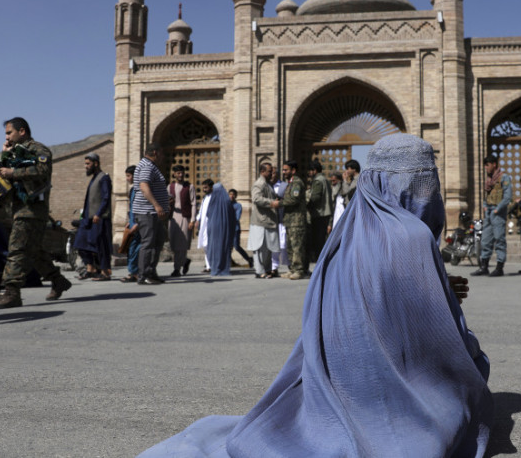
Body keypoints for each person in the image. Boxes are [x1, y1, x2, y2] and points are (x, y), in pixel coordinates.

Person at [138, 133, 493, 457]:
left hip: (332, 383)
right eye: (422, 184)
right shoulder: (412, 237)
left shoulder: (346, 231)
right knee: (473, 366)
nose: (427, 195)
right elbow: (434, 344)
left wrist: (437, 287)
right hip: (390, 395)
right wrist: (446, 302)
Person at [0, 117, 72, 308]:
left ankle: (11, 292)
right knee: (34, 252)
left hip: (32, 210)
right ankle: (58, 280)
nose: (7, 136)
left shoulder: (38, 150)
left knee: (17, 250)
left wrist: (13, 173)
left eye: (9, 132)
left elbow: (42, 169)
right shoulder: (14, 152)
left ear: (22, 131)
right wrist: (4, 157)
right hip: (18, 209)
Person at [133, 143, 169, 285]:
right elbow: (144, 187)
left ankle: (151, 272)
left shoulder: (149, 165)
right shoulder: (147, 166)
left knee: (158, 241)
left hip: (153, 212)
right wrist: (157, 205)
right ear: (155, 152)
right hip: (147, 211)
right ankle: (144, 275)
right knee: (148, 243)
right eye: (161, 153)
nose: (163, 156)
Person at [72, 153, 113, 280]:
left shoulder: (104, 178)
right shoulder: (94, 178)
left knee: (101, 245)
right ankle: (91, 269)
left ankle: (105, 272)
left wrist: (99, 214)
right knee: (80, 243)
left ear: (96, 163)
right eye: (85, 164)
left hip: (98, 218)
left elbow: (106, 198)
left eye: (88, 164)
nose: (86, 166)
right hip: (87, 219)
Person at [471, 155, 512, 277]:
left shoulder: (504, 178)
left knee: (499, 239)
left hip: (497, 213)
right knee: (485, 240)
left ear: (494, 164)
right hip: (489, 211)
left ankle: (499, 267)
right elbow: (487, 195)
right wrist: (484, 205)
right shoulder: (489, 179)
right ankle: (484, 266)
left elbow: (507, 197)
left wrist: (497, 209)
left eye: (487, 165)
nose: (486, 168)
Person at [248, 164, 280, 279]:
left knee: (268, 248)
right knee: (259, 248)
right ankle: (259, 271)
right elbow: (256, 199)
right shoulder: (259, 184)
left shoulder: (268, 184)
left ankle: (266, 269)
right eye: (269, 171)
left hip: (269, 221)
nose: (271, 174)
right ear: (262, 171)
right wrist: (271, 203)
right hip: (260, 221)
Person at [281, 160, 308, 280]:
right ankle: (292, 269)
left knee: (297, 246)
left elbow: (294, 200)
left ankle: (299, 270)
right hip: (289, 220)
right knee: (290, 246)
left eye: (286, 170)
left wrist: (279, 203)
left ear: (293, 170)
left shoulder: (297, 183)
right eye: (283, 170)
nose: (283, 172)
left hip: (297, 221)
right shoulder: (289, 183)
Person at [168, 165, 196, 277]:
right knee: (174, 243)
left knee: (182, 243)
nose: (180, 175)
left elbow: (193, 204)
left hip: (185, 216)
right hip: (173, 216)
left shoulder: (190, 186)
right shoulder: (170, 187)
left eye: (182, 173)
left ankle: (176, 269)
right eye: (178, 173)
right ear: (174, 174)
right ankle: (184, 261)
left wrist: (192, 220)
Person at [205, 183, 237, 277]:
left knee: (213, 247)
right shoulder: (227, 201)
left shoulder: (212, 200)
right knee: (223, 247)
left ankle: (214, 268)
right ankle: (223, 269)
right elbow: (232, 216)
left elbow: (207, 214)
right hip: (224, 228)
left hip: (212, 227)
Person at [306, 160, 333, 262]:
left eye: (310, 170)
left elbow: (315, 198)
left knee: (318, 242)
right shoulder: (324, 179)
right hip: (324, 214)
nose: (309, 173)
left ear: (314, 170)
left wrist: (307, 206)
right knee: (321, 240)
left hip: (319, 214)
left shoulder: (318, 181)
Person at [120, 165, 141, 282]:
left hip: (138, 225)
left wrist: (137, 224)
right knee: (131, 249)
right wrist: (129, 222)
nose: (127, 178)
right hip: (132, 223)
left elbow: (140, 208)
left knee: (135, 249)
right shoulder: (133, 190)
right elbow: (132, 208)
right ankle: (133, 272)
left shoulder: (139, 190)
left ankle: (135, 273)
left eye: (129, 176)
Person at [228, 189, 253, 268]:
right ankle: (229, 262)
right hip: (227, 229)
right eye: (230, 194)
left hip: (235, 229)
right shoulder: (225, 205)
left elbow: (237, 217)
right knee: (228, 246)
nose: (231, 196)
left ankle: (249, 259)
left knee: (236, 246)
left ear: (235, 196)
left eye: (233, 194)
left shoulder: (238, 205)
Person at [270, 168, 288, 277]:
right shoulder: (267, 186)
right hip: (271, 220)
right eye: (270, 173)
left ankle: (288, 264)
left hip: (282, 218)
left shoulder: (284, 185)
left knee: (283, 243)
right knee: (273, 244)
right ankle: (274, 267)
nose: (271, 175)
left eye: (273, 173)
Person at [195, 179, 215, 273]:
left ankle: (213, 265)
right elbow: (202, 210)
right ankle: (208, 266)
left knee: (212, 245)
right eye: (203, 188)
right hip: (204, 225)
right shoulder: (205, 198)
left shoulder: (215, 197)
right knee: (206, 245)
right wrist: (198, 219)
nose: (204, 189)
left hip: (212, 224)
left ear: (211, 187)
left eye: (206, 187)